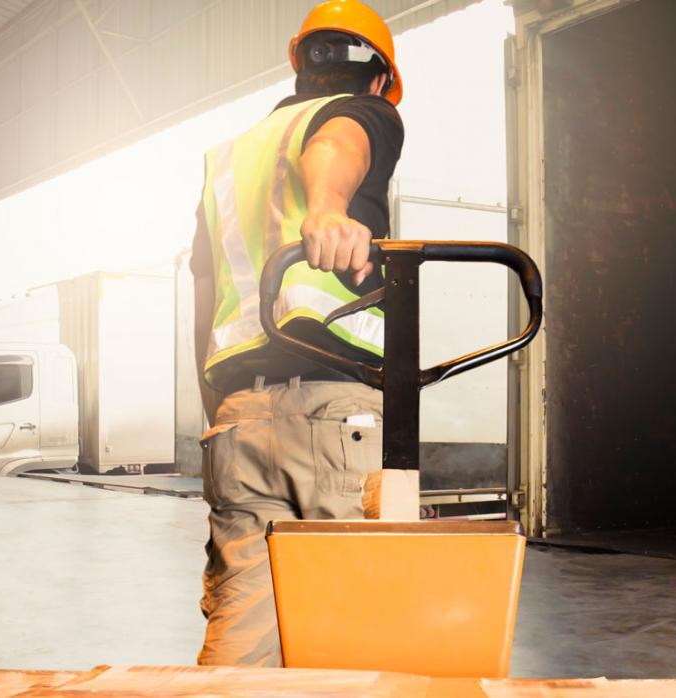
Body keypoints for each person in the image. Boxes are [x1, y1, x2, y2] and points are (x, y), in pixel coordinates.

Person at [188, 0, 405, 667]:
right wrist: (328, 207)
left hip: (238, 416)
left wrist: (219, 412)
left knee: (243, 631)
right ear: (379, 80)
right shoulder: (364, 114)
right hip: (337, 411)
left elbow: (202, 290)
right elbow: (340, 144)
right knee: (356, 631)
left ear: (300, 66)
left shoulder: (231, 157)